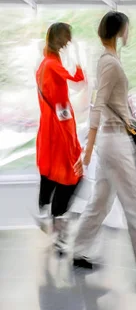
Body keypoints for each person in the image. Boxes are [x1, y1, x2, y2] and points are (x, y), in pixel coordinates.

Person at [72, 11, 136, 282]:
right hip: (113, 142)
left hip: (114, 139)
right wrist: (88, 149)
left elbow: (113, 104)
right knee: (133, 204)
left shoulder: (109, 60)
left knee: (101, 201)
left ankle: (78, 250)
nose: (129, 33)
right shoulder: (110, 64)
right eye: (127, 28)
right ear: (119, 31)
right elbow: (97, 105)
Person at [35, 23, 85, 254]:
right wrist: (76, 58)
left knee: (53, 173)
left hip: (51, 128)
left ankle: (46, 213)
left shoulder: (43, 66)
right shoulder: (54, 66)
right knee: (72, 176)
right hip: (60, 129)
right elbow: (77, 79)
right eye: (66, 39)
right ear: (58, 40)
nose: (68, 42)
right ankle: (57, 225)